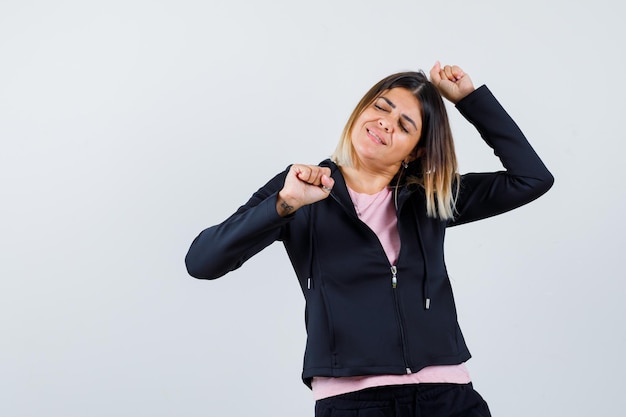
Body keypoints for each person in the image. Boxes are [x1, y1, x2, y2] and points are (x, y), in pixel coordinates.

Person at [185, 62, 554, 417]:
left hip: (449, 396)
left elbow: (532, 178)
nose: (385, 123)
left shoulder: (432, 197)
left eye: (404, 125)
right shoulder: (301, 188)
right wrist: (284, 204)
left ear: (417, 150)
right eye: (381, 107)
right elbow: (202, 261)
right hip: (353, 402)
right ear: (362, 109)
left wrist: (469, 99)